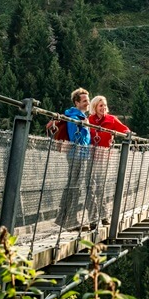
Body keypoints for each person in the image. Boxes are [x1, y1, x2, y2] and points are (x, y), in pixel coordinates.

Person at [87, 96, 130, 226]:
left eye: (105, 105)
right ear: (95, 107)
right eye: (101, 105)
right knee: (90, 188)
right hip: (90, 157)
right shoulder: (89, 120)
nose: (104, 108)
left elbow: (125, 130)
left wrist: (128, 134)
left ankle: (104, 216)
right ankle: (93, 219)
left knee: (101, 187)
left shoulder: (111, 120)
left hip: (104, 158)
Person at [54, 88, 92, 232]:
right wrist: (85, 126)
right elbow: (75, 137)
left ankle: (62, 218)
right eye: (84, 101)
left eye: (88, 100)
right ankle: (70, 220)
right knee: (76, 187)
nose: (87, 103)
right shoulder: (75, 118)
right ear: (77, 102)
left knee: (73, 185)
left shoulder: (80, 117)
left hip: (80, 154)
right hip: (77, 154)